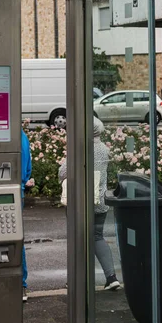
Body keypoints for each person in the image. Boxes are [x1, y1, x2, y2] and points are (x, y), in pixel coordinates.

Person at [58, 117, 120, 291]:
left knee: (78, 240)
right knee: (97, 237)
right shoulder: (104, 149)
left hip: (81, 202)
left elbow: (63, 171)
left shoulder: (81, 148)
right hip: (99, 201)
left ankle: (76, 281)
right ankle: (111, 277)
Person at [21, 129, 32, 302]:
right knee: (15, 236)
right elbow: (28, 168)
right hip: (18, 190)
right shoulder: (21, 135)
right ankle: (21, 284)